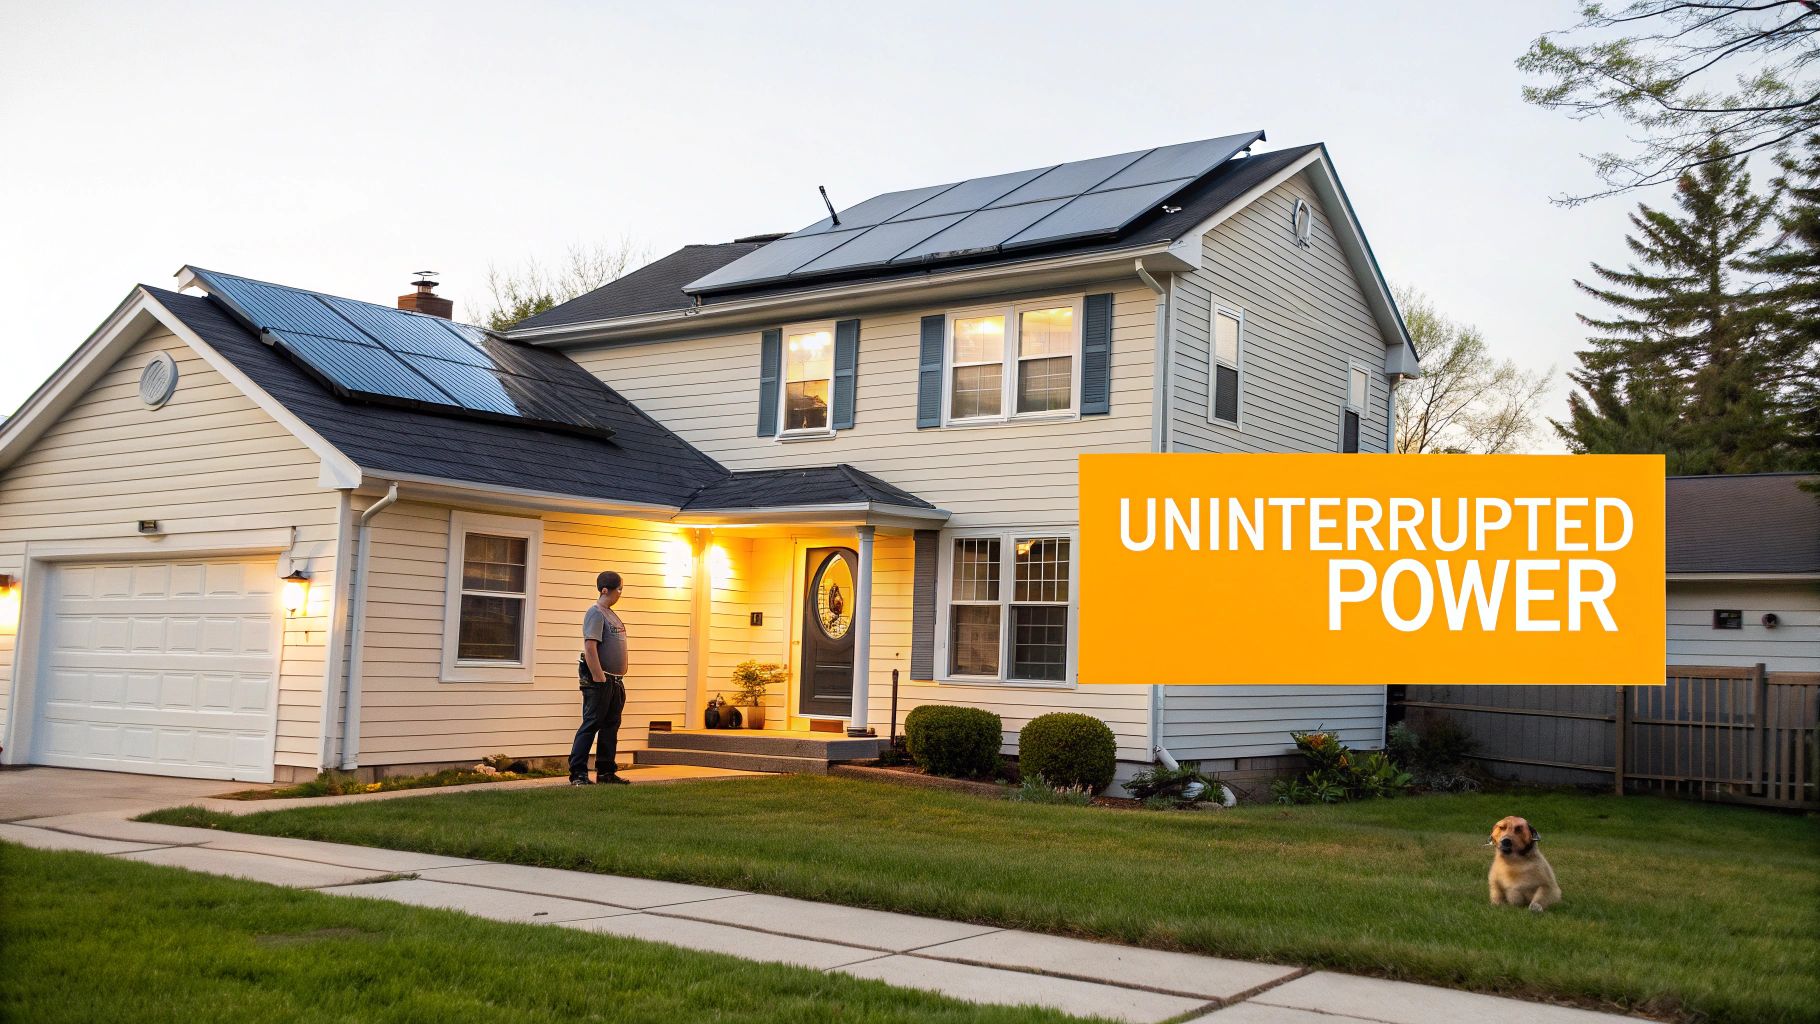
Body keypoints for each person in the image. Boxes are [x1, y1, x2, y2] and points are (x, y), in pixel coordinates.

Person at [571, 570, 630, 785]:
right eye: (618, 589)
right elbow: (590, 646)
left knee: (611, 725)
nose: (620, 593)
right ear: (605, 590)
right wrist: (598, 677)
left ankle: (606, 772)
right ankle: (578, 773)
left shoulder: (611, 614)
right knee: (591, 724)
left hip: (615, 681)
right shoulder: (596, 612)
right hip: (600, 680)